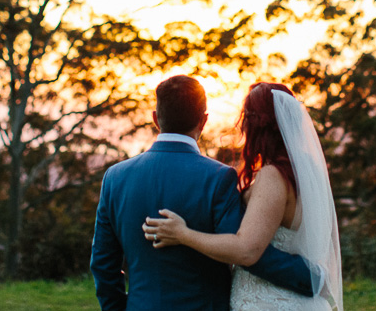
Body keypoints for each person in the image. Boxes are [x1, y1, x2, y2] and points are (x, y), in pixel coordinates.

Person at [90, 75, 317, 311]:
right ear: (204, 120)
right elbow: (248, 254)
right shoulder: (219, 177)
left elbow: (103, 264)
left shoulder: (115, 178)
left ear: (156, 119)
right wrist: (311, 277)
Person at [143, 82, 343, 311]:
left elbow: (247, 250)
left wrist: (183, 234)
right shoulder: (304, 171)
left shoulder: (273, 176)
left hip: (270, 303)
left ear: (256, 124)